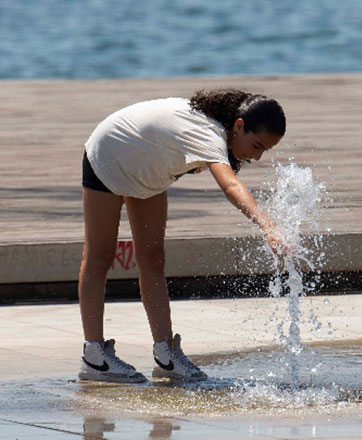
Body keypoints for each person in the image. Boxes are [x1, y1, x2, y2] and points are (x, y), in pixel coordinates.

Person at [78, 88, 286, 383]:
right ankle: (94, 358)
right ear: (238, 126)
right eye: (256, 146)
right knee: (100, 255)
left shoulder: (217, 130)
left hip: (148, 167)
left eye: (264, 150)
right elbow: (231, 186)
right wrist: (268, 226)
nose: (257, 157)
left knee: (152, 257)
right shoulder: (211, 134)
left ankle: (166, 356)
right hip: (110, 153)